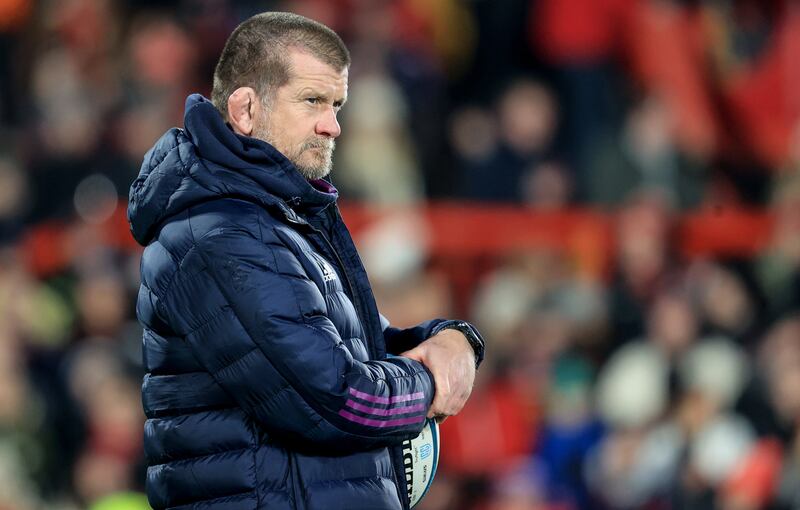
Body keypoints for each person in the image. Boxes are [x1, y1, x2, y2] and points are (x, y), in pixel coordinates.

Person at [127, 12, 485, 510]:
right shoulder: (220, 234)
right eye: (312, 101)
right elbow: (334, 399)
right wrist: (429, 384)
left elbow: (363, 346)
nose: (333, 125)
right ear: (245, 109)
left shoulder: (278, 220)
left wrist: (451, 340)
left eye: (337, 104)